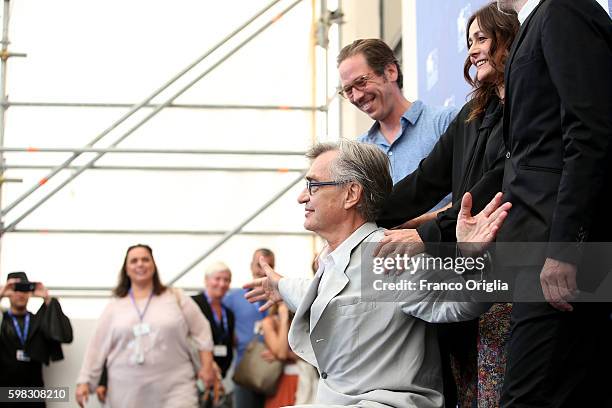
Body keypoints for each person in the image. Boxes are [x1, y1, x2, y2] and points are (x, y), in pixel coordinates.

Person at [244, 140, 511, 407]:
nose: (302, 197)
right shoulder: (333, 261)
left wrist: (474, 257)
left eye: (314, 185)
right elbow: (324, 295)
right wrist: (280, 286)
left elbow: (464, 301)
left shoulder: (387, 255)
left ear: (351, 194)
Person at [376, 3, 519, 405]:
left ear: (508, 39)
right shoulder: (470, 116)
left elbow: (498, 186)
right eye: (468, 41)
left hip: (506, 271)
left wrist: (426, 233)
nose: (472, 51)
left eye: (481, 38)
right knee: (464, 389)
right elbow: (425, 181)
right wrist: (365, 213)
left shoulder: (526, 111)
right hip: (460, 268)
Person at [493, 0, 612, 406]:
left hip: (558, 253)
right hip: (538, 249)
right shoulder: (539, 21)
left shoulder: (564, 9)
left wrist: (566, 248)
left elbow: (591, 132)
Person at [75, 244, 216, 408]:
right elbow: (96, 347)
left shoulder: (175, 297)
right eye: (134, 261)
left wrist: (207, 368)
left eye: (145, 260)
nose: (140, 264)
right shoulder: (114, 307)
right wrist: (85, 381)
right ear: (126, 270)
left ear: (153, 266)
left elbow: (202, 331)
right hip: (127, 392)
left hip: (176, 388)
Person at [337, 38, 457, 213]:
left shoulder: (445, 122)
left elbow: (469, 194)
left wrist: (417, 228)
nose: (356, 96)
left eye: (361, 82)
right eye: (348, 90)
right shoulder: (356, 152)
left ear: (391, 71)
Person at [0, 272, 73, 408]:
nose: (20, 294)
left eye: (24, 289)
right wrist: (1, 294)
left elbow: (65, 335)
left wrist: (48, 300)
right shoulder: (3, 321)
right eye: (16, 289)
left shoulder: (37, 321)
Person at [223, 248, 275, 408]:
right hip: (244, 369)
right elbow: (221, 326)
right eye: (259, 265)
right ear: (251, 266)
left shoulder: (280, 297)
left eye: (269, 266)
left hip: (272, 372)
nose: (262, 270)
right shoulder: (233, 298)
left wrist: (279, 352)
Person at [192, 262, 235, 378]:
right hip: (198, 371)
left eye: (226, 280)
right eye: (217, 279)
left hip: (221, 374)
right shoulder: (193, 304)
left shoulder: (229, 313)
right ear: (206, 280)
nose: (222, 284)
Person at [262, 302, 298, 408]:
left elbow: (313, 355)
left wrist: (288, 355)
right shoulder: (269, 322)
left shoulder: (302, 319)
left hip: (306, 377)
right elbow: (282, 354)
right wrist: (283, 319)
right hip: (283, 379)